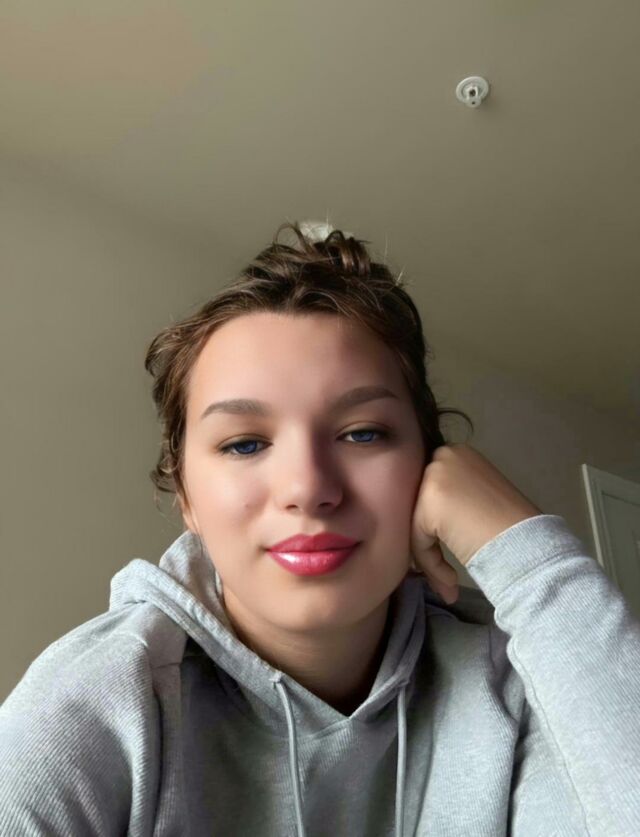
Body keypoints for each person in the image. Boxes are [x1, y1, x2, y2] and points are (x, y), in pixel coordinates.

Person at [1, 221, 638, 836]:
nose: (308, 488)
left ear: (429, 466)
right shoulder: (101, 698)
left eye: (363, 434)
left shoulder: (517, 678)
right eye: (245, 444)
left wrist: (530, 555)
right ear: (186, 496)